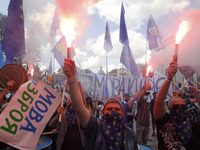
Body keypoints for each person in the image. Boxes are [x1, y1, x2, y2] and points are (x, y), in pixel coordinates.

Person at [63, 58, 138, 150]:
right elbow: (79, 107)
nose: (113, 112)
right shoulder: (95, 127)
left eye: (117, 109)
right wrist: (71, 78)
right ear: (102, 112)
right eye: (109, 109)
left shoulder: (130, 134)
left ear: (122, 113)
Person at [154, 62, 200, 150]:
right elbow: (159, 102)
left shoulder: (194, 126)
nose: (179, 109)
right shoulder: (164, 121)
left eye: (183, 107)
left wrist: (195, 92)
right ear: (169, 108)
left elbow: (197, 100)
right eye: (175, 107)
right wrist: (169, 78)